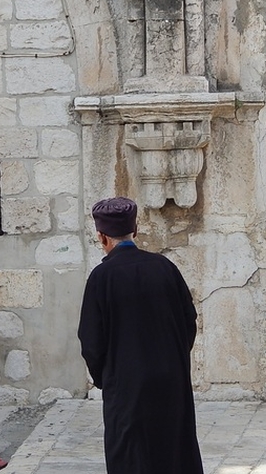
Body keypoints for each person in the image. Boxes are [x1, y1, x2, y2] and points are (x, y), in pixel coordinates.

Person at [77, 197, 204, 474]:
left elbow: (91, 342)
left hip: (127, 389)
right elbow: (188, 321)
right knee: (173, 453)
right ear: (134, 231)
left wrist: (105, 379)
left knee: (132, 458)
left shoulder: (101, 278)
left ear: (101, 236)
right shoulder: (165, 268)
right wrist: (175, 359)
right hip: (171, 384)